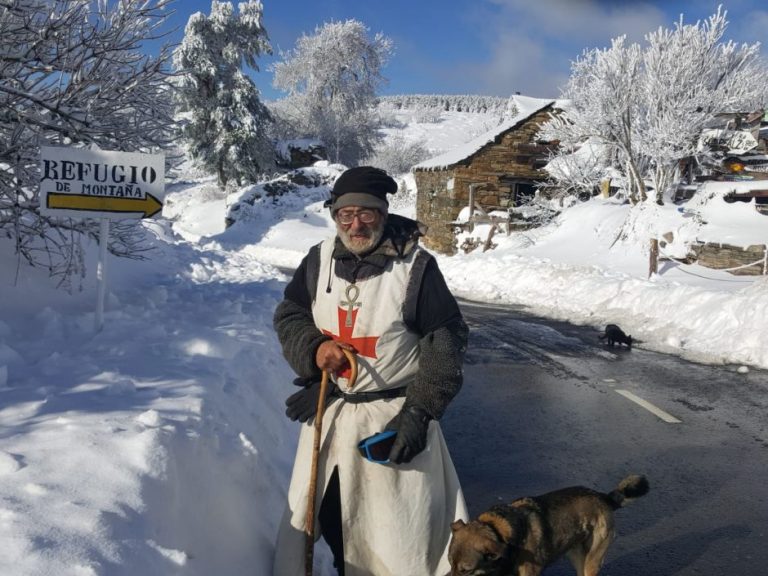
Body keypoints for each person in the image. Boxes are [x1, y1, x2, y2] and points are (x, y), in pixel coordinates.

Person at [272, 166, 469, 576]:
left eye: (367, 213)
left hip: (392, 420)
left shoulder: (416, 267)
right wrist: (314, 350)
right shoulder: (318, 260)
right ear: (334, 216)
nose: (356, 223)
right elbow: (291, 314)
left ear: (383, 213)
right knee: (324, 518)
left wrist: (420, 412)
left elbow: (445, 338)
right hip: (332, 414)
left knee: (398, 536)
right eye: (346, 214)